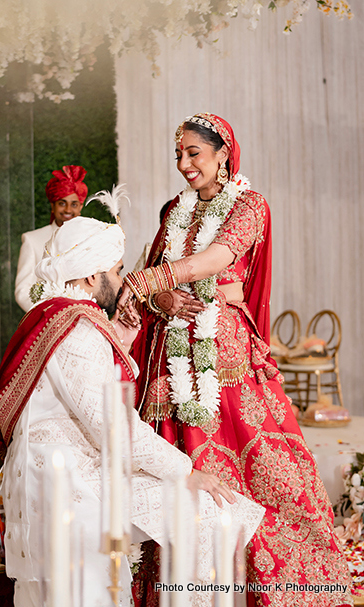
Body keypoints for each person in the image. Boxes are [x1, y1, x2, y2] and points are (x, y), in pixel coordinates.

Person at [125, 113, 352, 607]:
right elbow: (153, 273)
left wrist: (157, 280)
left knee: (270, 473)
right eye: (179, 154)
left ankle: (286, 582)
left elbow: (221, 258)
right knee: (177, 476)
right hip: (172, 364)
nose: (184, 164)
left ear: (223, 153)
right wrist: (160, 295)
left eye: (194, 154)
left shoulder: (249, 204)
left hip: (227, 362)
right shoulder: (174, 211)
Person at [0, 213, 263, 607]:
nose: (122, 282)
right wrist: (187, 471)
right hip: (70, 487)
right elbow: (113, 428)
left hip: (59, 476)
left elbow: (84, 392)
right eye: (116, 272)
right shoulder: (78, 330)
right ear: (89, 278)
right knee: (208, 507)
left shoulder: (52, 313)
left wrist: (121, 337)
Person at [14, 165, 87, 312]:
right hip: (47, 323)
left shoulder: (89, 238)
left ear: (80, 207)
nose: (67, 210)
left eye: (74, 204)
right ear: (52, 206)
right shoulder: (32, 240)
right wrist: (49, 316)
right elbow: (22, 291)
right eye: (62, 203)